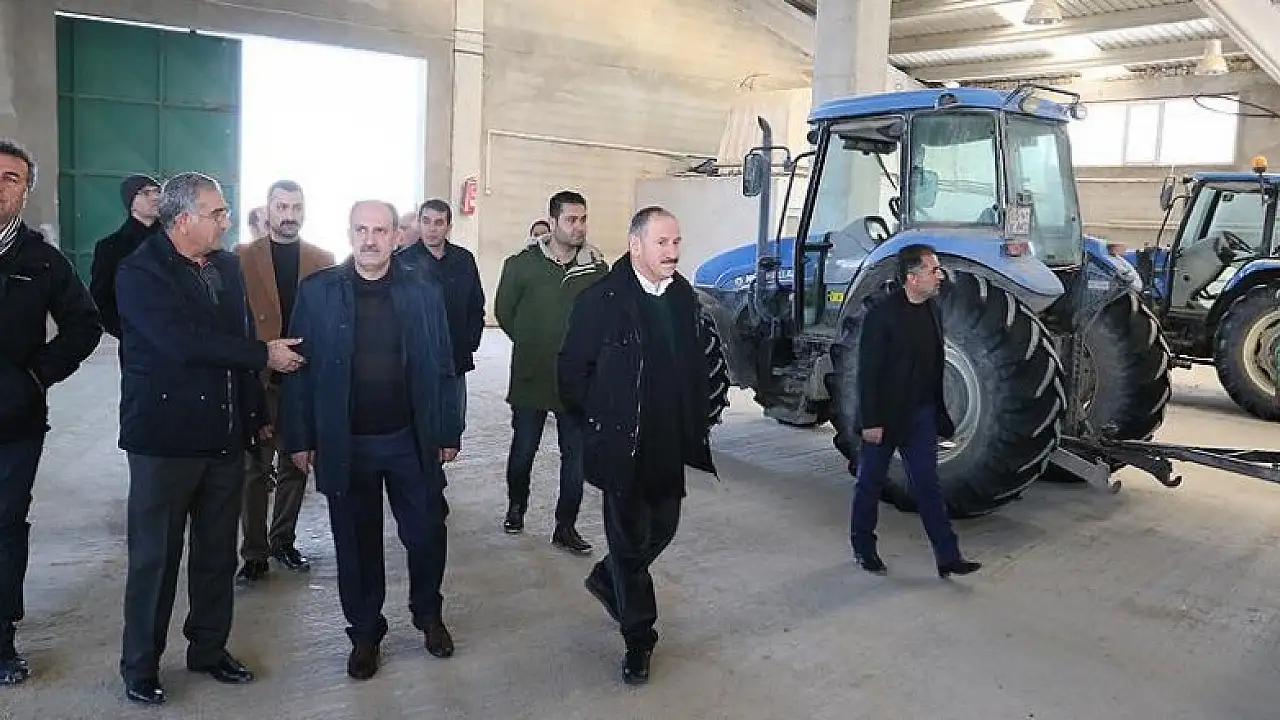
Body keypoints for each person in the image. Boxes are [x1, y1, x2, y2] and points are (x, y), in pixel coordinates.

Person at [114, 172, 306, 706]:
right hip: (164, 440)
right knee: (155, 558)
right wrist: (264, 355)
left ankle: (208, 647)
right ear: (183, 220)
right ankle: (140, 665)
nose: (227, 221)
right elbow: (180, 342)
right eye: (217, 213)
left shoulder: (224, 265)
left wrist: (254, 413)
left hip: (223, 434)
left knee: (216, 553)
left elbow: (236, 334)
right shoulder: (140, 271)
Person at [282, 200, 461, 680]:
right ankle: (365, 633)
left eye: (380, 230)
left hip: (409, 439)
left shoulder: (423, 290)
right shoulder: (318, 292)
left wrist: (448, 429)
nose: (370, 239)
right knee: (356, 544)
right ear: (349, 233)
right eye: (361, 229)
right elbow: (298, 371)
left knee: (426, 532)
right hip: (347, 443)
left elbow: (443, 363)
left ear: (397, 236)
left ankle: (428, 614)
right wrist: (300, 437)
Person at [557, 206, 717, 685]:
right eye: (662, 242)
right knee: (629, 547)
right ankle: (638, 639)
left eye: (676, 242)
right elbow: (572, 374)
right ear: (635, 246)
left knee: (662, 529)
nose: (672, 251)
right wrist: (600, 423)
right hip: (622, 447)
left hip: (669, 443)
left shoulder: (682, 296)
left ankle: (607, 578)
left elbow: (693, 364)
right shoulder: (601, 300)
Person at [0, 139, 102, 686]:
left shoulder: (42, 261)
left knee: (5, 527)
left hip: (13, 424)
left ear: (25, 192)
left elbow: (84, 325)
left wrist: (35, 377)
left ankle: (1, 640)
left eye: (11, 178)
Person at [849, 244, 981, 579]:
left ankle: (948, 556)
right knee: (870, 484)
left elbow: (933, 365)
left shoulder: (932, 310)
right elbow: (868, 373)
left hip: (920, 415)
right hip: (885, 417)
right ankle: (863, 548)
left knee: (928, 486)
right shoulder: (881, 315)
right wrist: (871, 421)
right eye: (933, 270)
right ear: (912, 277)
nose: (940, 276)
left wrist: (937, 414)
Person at [494, 190, 608, 552]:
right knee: (523, 450)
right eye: (571, 220)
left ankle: (565, 526)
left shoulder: (596, 270)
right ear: (553, 220)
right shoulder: (521, 265)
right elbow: (504, 311)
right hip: (531, 376)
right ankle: (516, 507)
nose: (579, 227)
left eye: (583, 219)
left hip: (577, 382)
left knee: (575, 459)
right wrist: (532, 342)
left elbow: (602, 321)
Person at [235, 180, 334, 583]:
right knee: (254, 470)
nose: (289, 215)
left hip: (304, 380)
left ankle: (283, 541)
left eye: (296, 207)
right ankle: (253, 552)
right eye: (281, 207)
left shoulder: (323, 260)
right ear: (268, 210)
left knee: (296, 466)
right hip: (259, 378)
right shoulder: (241, 258)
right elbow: (234, 320)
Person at [396, 199, 484, 430]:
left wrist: (470, 341)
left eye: (438, 222)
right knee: (416, 423)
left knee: (452, 425)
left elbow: (476, 304)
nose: (431, 229)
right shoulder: (402, 262)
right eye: (426, 221)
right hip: (415, 361)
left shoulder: (464, 260)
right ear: (418, 223)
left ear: (449, 227)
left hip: (455, 357)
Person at [89, 174, 160, 342]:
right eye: (146, 193)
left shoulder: (177, 240)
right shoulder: (110, 248)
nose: (155, 197)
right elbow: (101, 298)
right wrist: (126, 332)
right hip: (136, 342)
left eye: (157, 191)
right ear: (131, 203)